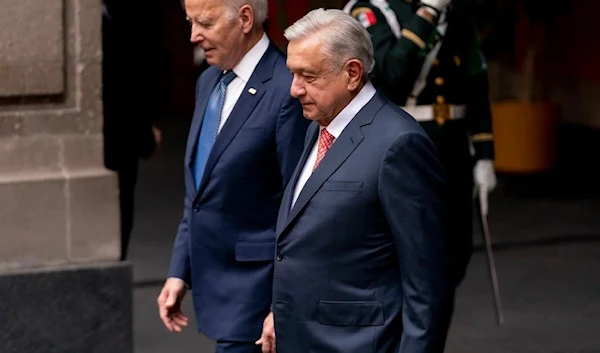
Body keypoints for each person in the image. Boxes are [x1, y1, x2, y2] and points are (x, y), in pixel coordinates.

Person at [258, 8, 455, 353]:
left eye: (308, 75)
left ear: (352, 73)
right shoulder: (318, 128)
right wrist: (283, 312)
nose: (294, 89)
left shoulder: (399, 144)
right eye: (293, 73)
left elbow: (428, 284)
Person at [156, 0, 309, 352]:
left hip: (259, 305)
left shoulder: (288, 89)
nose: (194, 35)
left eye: (205, 23)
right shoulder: (209, 81)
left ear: (244, 18)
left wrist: (282, 306)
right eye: (190, 22)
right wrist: (180, 270)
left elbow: (301, 209)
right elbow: (199, 191)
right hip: (217, 294)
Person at [343, 0, 497, 285]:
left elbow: (476, 82)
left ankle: (432, 327)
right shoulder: (369, 9)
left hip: (452, 150)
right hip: (402, 148)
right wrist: (427, 13)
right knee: (407, 253)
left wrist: (485, 154)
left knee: (456, 252)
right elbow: (391, 72)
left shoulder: (456, 10)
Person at [101, 0, 162, 261]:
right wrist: (145, 139)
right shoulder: (113, 26)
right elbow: (125, 86)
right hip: (111, 143)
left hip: (120, 142)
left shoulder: (126, 16)